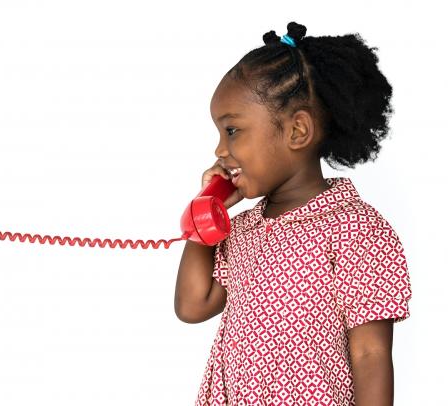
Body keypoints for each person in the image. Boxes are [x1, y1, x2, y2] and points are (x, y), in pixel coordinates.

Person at [174, 21, 413, 406]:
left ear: (297, 131)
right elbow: (192, 305)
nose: (220, 150)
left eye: (232, 130)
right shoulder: (243, 230)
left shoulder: (357, 229)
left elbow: (371, 355)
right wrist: (206, 210)